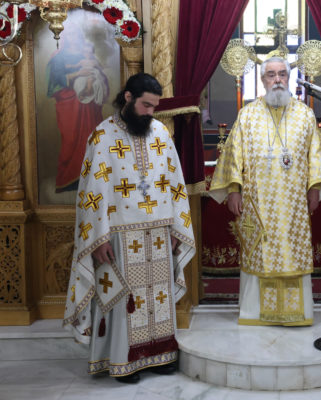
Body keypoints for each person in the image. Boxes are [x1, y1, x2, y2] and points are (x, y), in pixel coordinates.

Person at [63, 73, 196, 383]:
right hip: (120, 236)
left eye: (154, 107)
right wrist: (98, 239)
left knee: (158, 299)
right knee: (125, 301)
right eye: (146, 105)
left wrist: (176, 229)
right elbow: (93, 192)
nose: (150, 112)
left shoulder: (160, 132)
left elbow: (175, 184)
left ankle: (160, 356)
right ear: (128, 97)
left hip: (159, 235)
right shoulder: (102, 136)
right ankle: (123, 361)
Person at [209, 57, 321, 326]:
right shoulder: (248, 115)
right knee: (259, 252)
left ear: (288, 78)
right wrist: (234, 190)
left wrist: (314, 188)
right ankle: (255, 313)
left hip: (294, 205)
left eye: (282, 74)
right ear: (262, 80)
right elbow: (233, 156)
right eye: (271, 75)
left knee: (293, 252)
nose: (277, 79)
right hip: (257, 203)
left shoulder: (304, 114)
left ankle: (298, 314)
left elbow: (316, 155)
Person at [47, 34, 109, 192]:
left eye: (76, 33)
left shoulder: (88, 56)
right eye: (70, 33)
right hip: (69, 106)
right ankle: (69, 179)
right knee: (71, 139)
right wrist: (77, 75)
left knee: (91, 138)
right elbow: (55, 81)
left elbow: (101, 74)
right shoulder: (58, 57)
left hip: (90, 107)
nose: (74, 37)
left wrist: (96, 81)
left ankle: (92, 178)